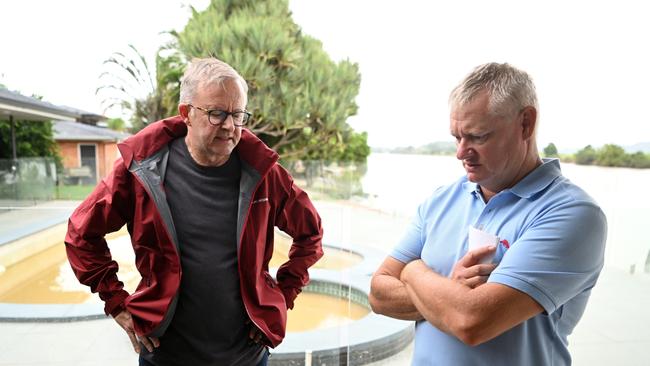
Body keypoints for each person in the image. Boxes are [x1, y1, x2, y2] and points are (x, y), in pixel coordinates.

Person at [64, 57, 324, 366]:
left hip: (246, 358)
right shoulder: (140, 170)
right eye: (217, 113)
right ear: (186, 113)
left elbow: (311, 234)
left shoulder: (265, 174)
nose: (229, 125)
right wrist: (117, 303)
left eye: (238, 114)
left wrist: (283, 294)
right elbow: (81, 233)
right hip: (165, 356)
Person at [369, 62, 607, 365]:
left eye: (478, 137)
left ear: (526, 124)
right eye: (457, 137)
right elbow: (378, 293)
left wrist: (414, 271)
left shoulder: (573, 214)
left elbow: (471, 321)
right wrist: (449, 294)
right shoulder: (441, 200)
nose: (461, 152)